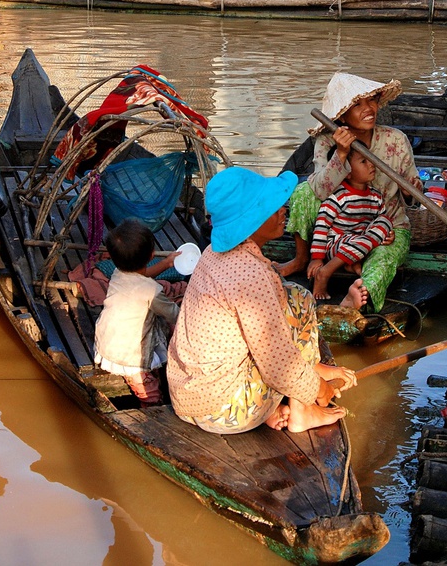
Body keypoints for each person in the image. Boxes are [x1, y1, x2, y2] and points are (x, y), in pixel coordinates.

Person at [167, 167, 359, 434]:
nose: (283, 210)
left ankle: (307, 371)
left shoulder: (212, 252)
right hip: (221, 410)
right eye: (273, 207)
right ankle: (302, 411)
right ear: (251, 221)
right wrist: (319, 389)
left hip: (187, 395)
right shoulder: (252, 275)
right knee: (287, 348)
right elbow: (278, 365)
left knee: (297, 295)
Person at [279, 72, 423, 312]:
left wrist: (412, 192)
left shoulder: (396, 140)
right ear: (342, 115)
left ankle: (355, 300)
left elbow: (412, 196)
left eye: (371, 101)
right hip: (339, 228)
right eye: (356, 105)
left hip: (384, 228)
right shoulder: (327, 141)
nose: (368, 109)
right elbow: (319, 191)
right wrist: (342, 155)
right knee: (303, 192)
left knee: (382, 263)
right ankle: (302, 258)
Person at [94, 218, 180, 406]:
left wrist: (167, 263)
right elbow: (176, 315)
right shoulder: (152, 291)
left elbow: (141, 276)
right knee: (149, 393)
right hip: (129, 355)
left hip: (109, 340)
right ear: (151, 255)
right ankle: (149, 406)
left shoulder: (118, 272)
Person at [308, 147, 394, 300]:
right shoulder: (338, 197)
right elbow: (321, 227)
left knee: (385, 220)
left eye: (370, 159)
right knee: (363, 241)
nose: (371, 165)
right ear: (346, 172)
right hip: (336, 244)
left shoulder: (376, 197)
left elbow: (379, 224)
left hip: (361, 242)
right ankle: (325, 272)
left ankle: (350, 263)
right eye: (363, 161)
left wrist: (388, 234)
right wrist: (317, 257)